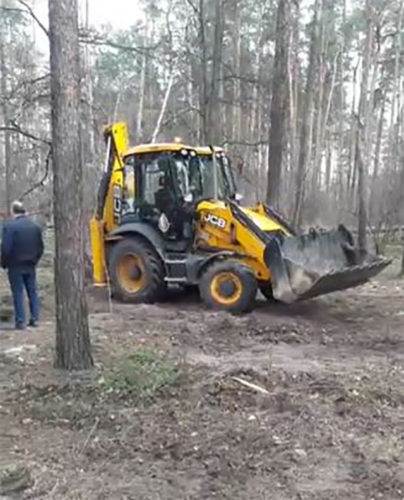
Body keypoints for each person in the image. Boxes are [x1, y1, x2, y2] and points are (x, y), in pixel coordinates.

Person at [1, 201, 44, 330]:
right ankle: (35, 318)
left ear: (13, 212)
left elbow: (6, 249)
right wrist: (35, 260)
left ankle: (20, 321)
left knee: (18, 293)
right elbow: (40, 247)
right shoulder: (35, 227)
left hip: (15, 265)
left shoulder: (10, 227)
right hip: (30, 264)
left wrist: (4, 263)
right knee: (32, 292)